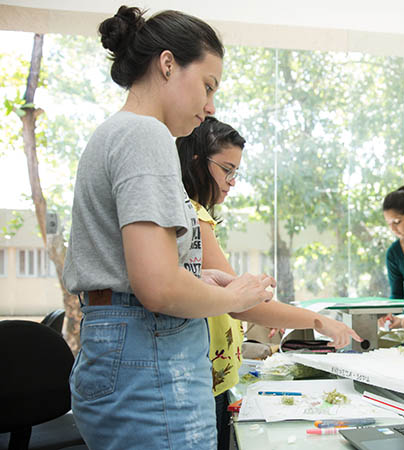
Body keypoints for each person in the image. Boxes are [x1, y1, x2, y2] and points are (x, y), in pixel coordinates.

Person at [62, 6, 273, 449]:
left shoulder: (114, 132)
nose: (210, 105)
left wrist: (197, 280)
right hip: (149, 356)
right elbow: (156, 287)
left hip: (118, 345)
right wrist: (231, 296)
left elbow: (142, 267)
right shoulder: (147, 135)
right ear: (167, 64)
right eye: (208, 86)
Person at [176, 116, 362, 450]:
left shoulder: (198, 216)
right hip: (206, 381)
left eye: (237, 172)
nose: (232, 181)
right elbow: (245, 308)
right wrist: (319, 321)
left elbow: (229, 296)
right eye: (226, 169)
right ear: (196, 161)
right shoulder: (196, 218)